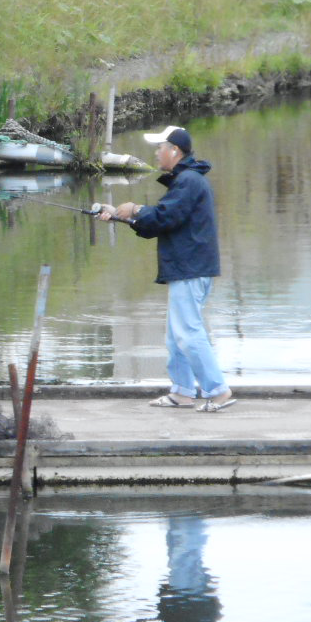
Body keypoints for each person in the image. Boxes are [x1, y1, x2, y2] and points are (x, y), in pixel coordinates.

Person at [98, 125, 235, 411]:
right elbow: (160, 223)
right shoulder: (185, 181)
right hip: (186, 268)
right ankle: (183, 392)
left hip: (190, 268)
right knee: (176, 335)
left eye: (160, 147)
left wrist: (135, 209)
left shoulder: (188, 181)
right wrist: (119, 216)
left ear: (174, 150)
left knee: (188, 333)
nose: (156, 152)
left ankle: (218, 391)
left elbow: (165, 216)